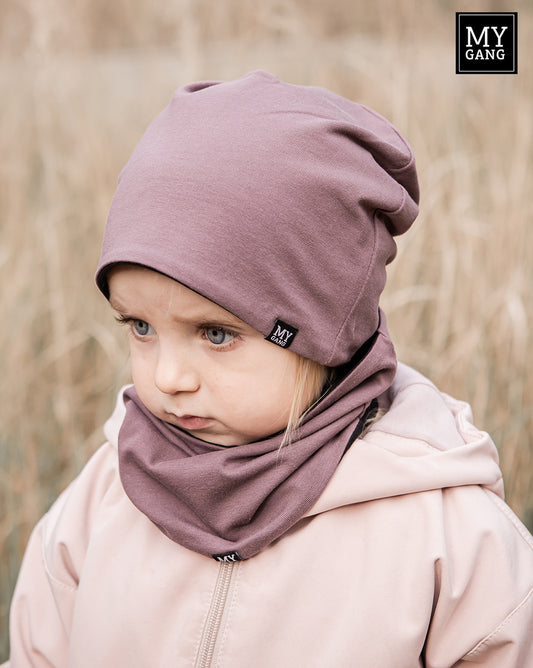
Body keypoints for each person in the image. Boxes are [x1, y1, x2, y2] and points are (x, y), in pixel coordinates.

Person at [5, 70, 533, 667]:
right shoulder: (106, 494)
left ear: (321, 330)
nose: (168, 377)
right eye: (141, 328)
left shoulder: (450, 538)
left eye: (217, 334)